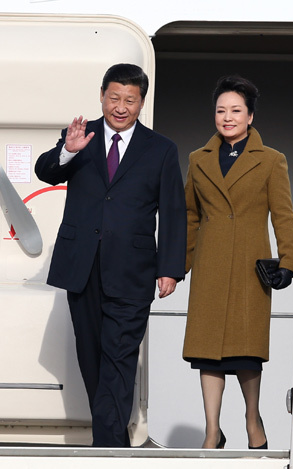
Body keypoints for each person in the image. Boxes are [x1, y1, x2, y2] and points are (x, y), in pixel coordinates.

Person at [35, 63, 186, 448]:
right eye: (114, 98)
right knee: (92, 360)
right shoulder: (79, 136)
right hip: (82, 267)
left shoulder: (161, 149)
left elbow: (173, 211)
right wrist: (67, 151)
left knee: (119, 359)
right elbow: (46, 172)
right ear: (102, 96)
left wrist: (170, 268)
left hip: (133, 272)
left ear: (141, 103)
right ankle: (112, 442)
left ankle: (107, 451)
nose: (121, 107)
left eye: (129, 100)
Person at [182, 75, 293, 449]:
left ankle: (252, 418)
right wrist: (177, 265)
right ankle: (212, 431)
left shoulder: (271, 160)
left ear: (250, 116)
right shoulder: (198, 159)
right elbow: (189, 216)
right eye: (221, 111)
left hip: (251, 264)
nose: (227, 117)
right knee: (207, 353)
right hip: (211, 263)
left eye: (236, 111)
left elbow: (283, 214)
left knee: (247, 350)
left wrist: (289, 261)